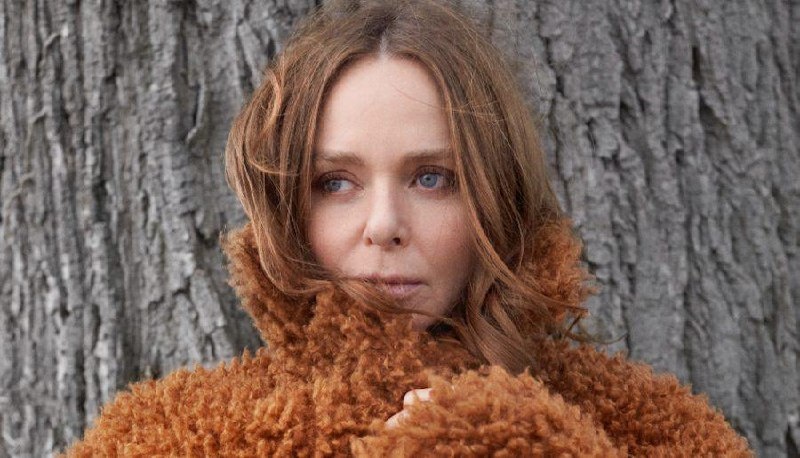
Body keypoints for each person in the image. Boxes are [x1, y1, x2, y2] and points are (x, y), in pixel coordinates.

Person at [63, 0, 751, 455]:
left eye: (432, 178)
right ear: (286, 208)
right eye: (336, 183)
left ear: (496, 196)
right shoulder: (165, 439)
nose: (385, 226)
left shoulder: (655, 431)